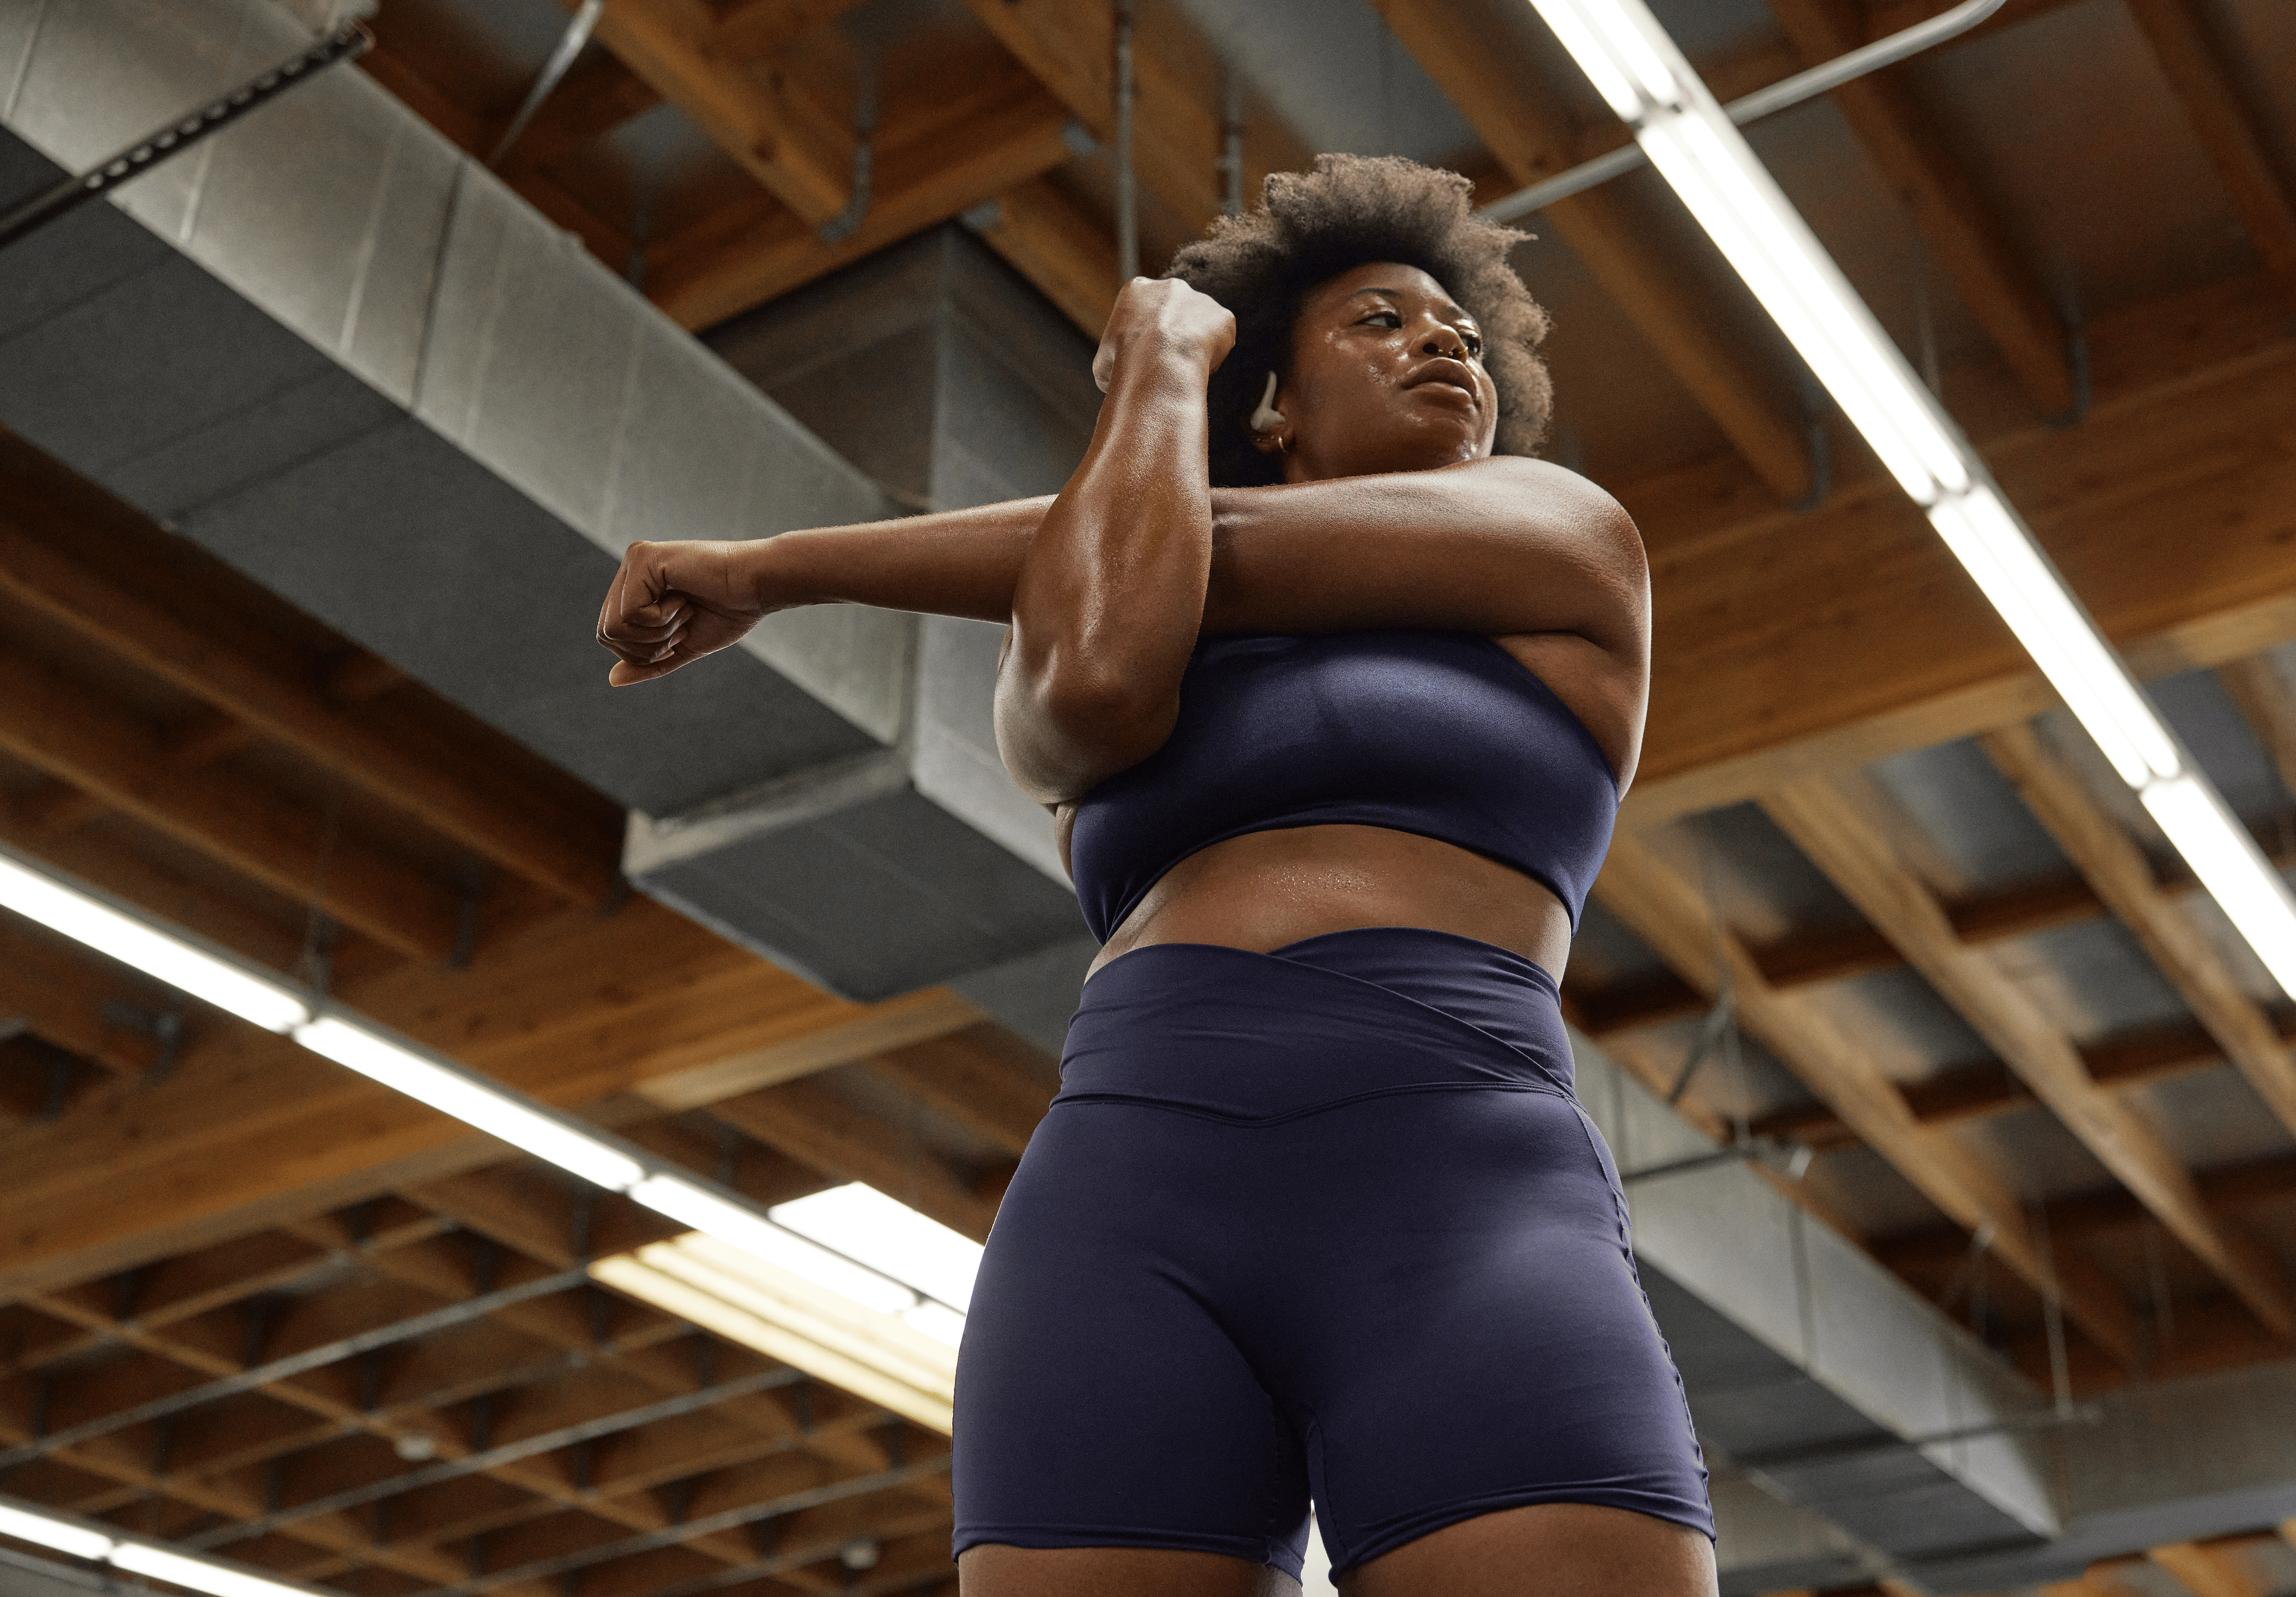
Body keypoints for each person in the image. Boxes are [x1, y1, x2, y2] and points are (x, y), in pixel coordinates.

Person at [596, 155, 1714, 1597]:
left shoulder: (1566, 536)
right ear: (1273, 402)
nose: (1445, 342)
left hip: (1457, 1183)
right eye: (1380, 321)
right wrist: (1171, 367)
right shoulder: (1091, 605)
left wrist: (775, 564)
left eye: (1459, 331)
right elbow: (1109, 663)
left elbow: (1223, 542)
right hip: (1126, 1196)